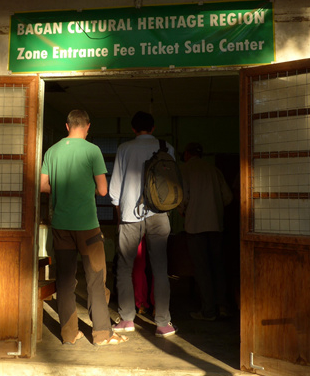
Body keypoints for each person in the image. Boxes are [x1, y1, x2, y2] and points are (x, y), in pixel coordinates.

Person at [40, 110, 128, 346]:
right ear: (87, 126)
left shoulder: (52, 151)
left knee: (65, 283)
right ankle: (102, 334)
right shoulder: (93, 150)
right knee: (96, 281)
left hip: (61, 226)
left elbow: (42, 185)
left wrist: (61, 190)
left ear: (67, 126)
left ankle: (69, 335)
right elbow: (102, 190)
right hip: (88, 228)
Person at [109, 111, 177, 337]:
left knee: (125, 268)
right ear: (154, 127)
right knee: (160, 269)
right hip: (159, 213)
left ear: (133, 128)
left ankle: (127, 319)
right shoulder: (166, 147)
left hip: (130, 214)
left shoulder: (124, 148)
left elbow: (115, 190)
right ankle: (163, 323)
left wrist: (118, 213)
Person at [178, 142, 233, 320]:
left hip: (195, 226)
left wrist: (184, 211)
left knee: (202, 269)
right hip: (216, 225)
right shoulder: (214, 170)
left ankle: (208, 311)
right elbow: (228, 197)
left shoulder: (185, 170)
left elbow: (182, 198)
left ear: (187, 154)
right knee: (218, 266)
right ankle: (222, 306)